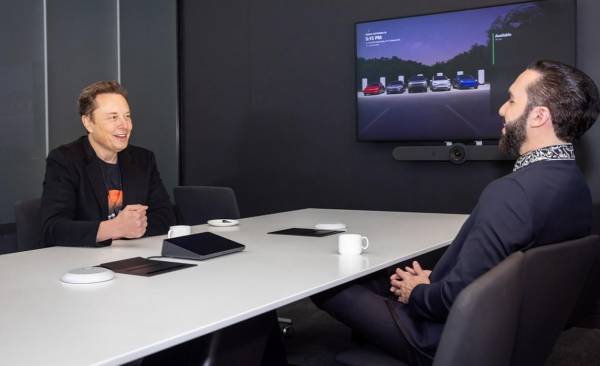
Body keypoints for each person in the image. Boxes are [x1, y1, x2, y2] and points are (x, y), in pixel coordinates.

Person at [313, 60, 600, 366]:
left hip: (439, 338)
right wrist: (434, 281)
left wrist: (419, 291)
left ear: (539, 116)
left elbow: (452, 302)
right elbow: (490, 276)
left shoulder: (513, 193)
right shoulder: (575, 187)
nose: (502, 109)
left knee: (324, 283)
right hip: (502, 331)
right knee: (376, 281)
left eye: (513, 100)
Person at [42, 80, 175, 246]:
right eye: (113, 117)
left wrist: (130, 230)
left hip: (134, 255)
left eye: (127, 116)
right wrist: (113, 229)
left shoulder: (143, 159)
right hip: (83, 263)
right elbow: (53, 228)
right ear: (88, 123)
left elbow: (165, 216)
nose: (124, 125)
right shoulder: (65, 160)